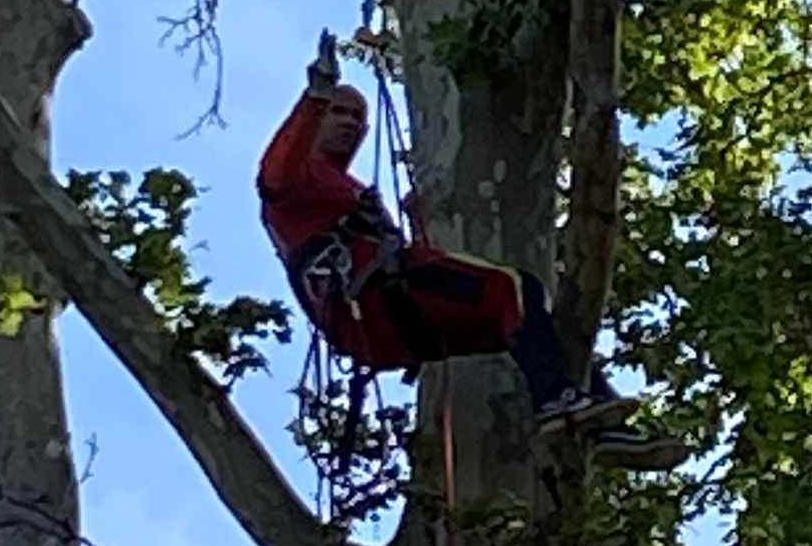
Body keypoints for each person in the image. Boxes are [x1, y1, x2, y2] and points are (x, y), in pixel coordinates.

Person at [257, 35, 675, 466]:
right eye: (338, 112)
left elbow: (403, 262)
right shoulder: (296, 179)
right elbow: (276, 170)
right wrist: (317, 95)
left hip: (389, 324)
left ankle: (600, 426)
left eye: (357, 117)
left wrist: (417, 224)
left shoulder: (347, 190)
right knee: (511, 288)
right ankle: (557, 404)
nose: (349, 122)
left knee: (537, 329)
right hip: (374, 304)